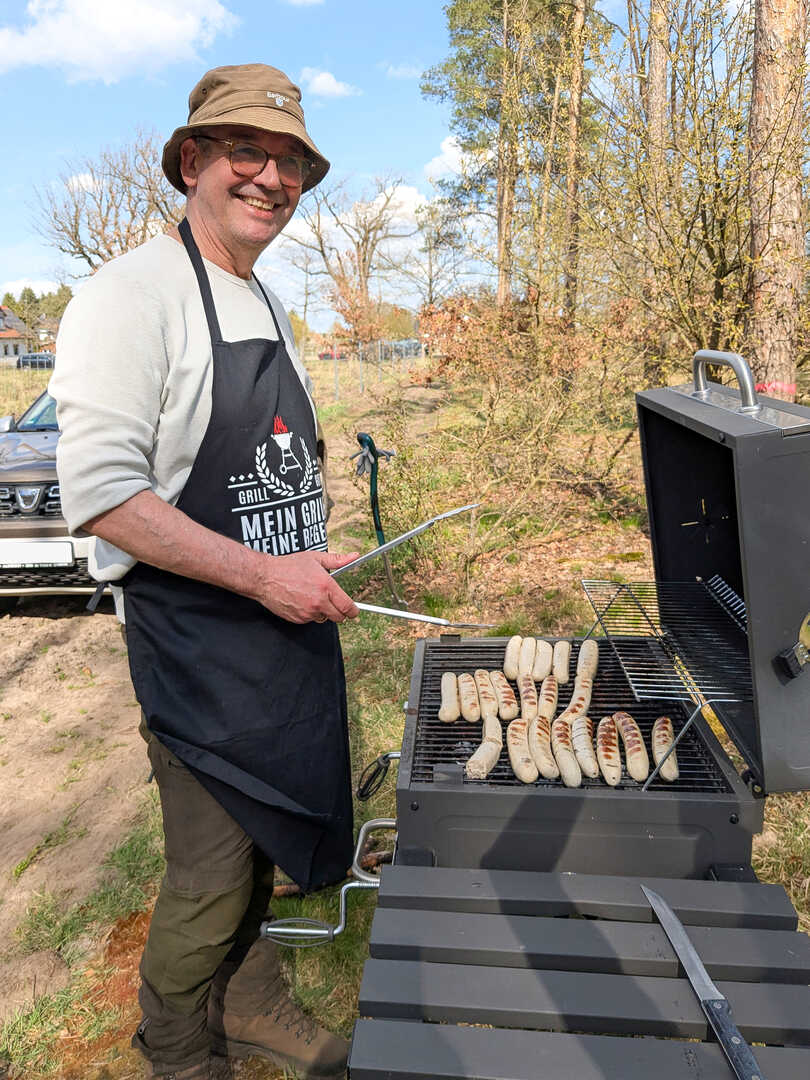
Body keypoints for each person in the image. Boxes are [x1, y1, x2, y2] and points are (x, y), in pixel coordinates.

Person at [51, 64, 359, 1080]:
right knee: (210, 879)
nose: (270, 177)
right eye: (245, 154)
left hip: (283, 647)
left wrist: (304, 552)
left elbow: (256, 469)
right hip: (203, 655)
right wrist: (267, 579)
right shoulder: (129, 294)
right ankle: (180, 1053)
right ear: (192, 163)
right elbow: (100, 494)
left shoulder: (264, 297)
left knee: (265, 851)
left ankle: (256, 1005)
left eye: (289, 163)